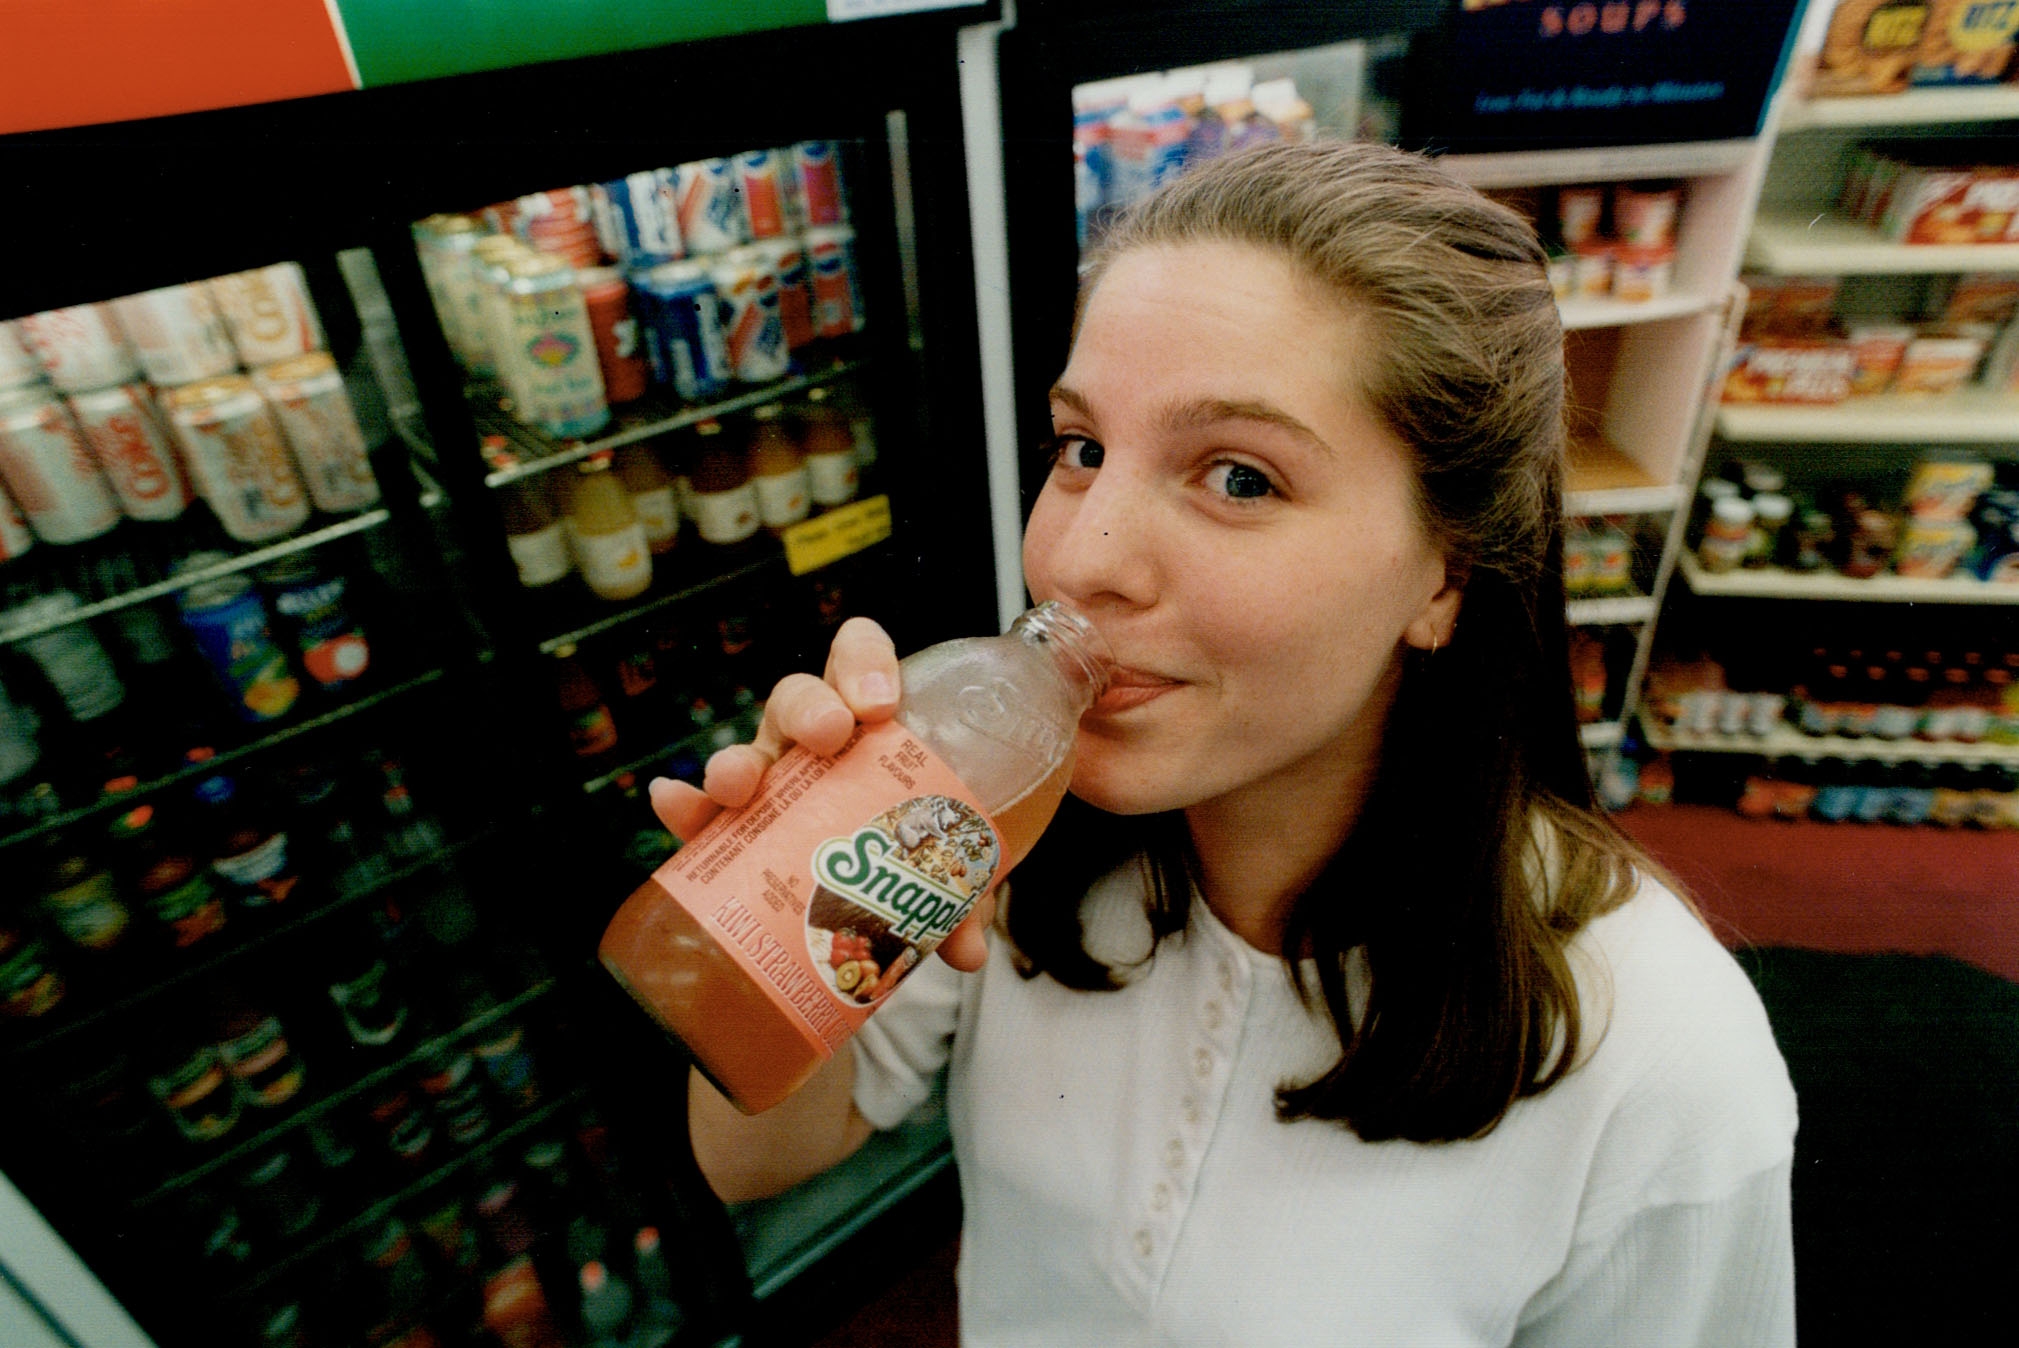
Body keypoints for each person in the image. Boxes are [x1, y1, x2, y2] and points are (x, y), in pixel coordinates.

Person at [649, 139, 1797, 1345]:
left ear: (1446, 573)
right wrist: (778, 912)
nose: (1083, 560)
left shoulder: (1665, 1066)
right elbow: (753, 1158)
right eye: (1082, 449)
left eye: (1239, 477)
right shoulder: (995, 833)